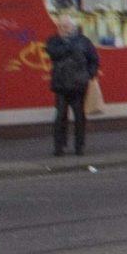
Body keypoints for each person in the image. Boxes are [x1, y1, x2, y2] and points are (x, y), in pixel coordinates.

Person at [45, 14, 100, 157]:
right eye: (60, 26)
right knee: (60, 117)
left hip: (79, 85)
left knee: (79, 117)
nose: (63, 29)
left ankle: (79, 146)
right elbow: (53, 53)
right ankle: (59, 146)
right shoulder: (54, 41)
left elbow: (94, 59)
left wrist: (89, 74)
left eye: (66, 26)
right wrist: (69, 44)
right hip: (61, 85)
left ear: (73, 27)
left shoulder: (84, 42)